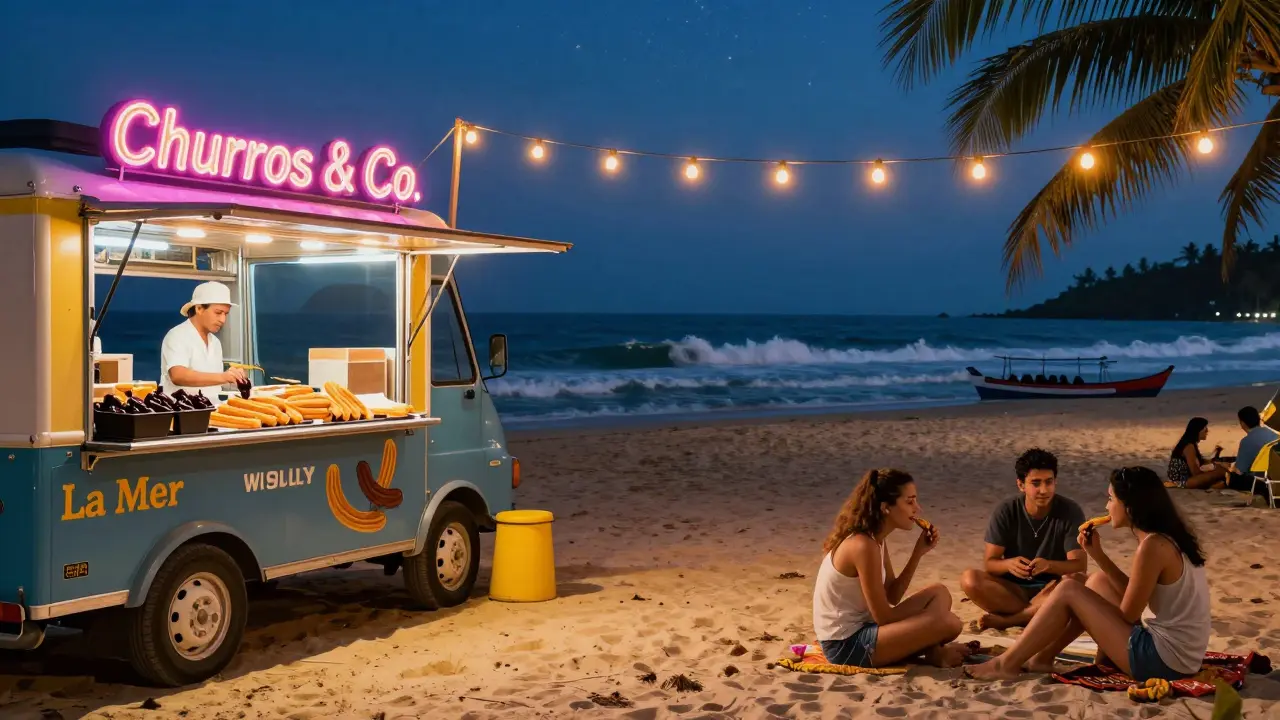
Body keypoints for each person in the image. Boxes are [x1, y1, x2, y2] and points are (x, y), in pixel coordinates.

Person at [964, 466, 1210, 683]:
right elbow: (1136, 596)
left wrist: (1089, 607)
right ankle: (1043, 658)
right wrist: (1098, 556)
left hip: (1163, 662)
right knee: (1095, 582)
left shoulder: (1152, 547)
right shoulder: (1167, 537)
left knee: (1069, 590)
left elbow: (1129, 612)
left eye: (1111, 498)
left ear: (1130, 506)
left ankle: (1006, 664)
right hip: (1183, 657)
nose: (1106, 506)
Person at [812, 468, 968, 668]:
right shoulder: (863, 545)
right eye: (909, 501)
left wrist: (917, 553)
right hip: (845, 644)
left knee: (940, 592)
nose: (917, 508)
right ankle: (933, 650)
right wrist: (929, 621)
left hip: (867, 629)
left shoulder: (876, 540)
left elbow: (892, 595)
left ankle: (931, 647)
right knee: (949, 623)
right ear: (886, 507)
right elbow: (884, 616)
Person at [961, 448, 1087, 630]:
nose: (1044, 490)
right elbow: (990, 563)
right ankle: (1036, 613)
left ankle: (1014, 620)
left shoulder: (1070, 511)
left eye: (1049, 482)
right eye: (1036, 483)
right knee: (969, 579)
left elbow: (1079, 565)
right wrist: (1008, 564)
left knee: (1078, 580)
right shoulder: (1006, 510)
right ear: (1021, 485)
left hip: (1052, 588)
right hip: (1013, 590)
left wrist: (1048, 565)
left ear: (1055, 482)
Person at [161, 281, 246, 397]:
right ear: (199, 308)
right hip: (183, 412)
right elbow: (178, 375)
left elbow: (212, 382)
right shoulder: (177, 336)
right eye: (218, 313)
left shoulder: (215, 343)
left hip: (213, 410)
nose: (223, 320)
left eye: (226, 314)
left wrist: (234, 379)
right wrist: (223, 377)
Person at [1225, 406, 1279, 502]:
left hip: (1263, 483)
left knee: (1233, 478)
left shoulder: (1247, 441)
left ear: (1242, 423)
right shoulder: (1275, 436)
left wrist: (1228, 468)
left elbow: (1239, 471)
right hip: (1276, 478)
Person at [1167, 417, 1228, 489]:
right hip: (1182, 481)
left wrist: (1215, 461)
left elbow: (1202, 462)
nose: (1207, 431)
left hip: (1187, 479)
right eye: (1205, 429)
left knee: (1219, 469)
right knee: (1220, 472)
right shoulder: (1189, 447)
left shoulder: (1192, 445)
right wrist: (1211, 471)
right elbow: (1195, 472)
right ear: (1197, 430)